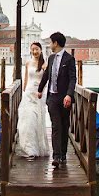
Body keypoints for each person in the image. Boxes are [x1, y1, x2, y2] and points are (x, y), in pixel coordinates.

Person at [37, 32, 76, 167]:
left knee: (64, 126)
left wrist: (69, 95)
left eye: (50, 42)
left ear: (56, 43)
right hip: (52, 97)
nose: (49, 44)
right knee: (56, 126)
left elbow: (72, 78)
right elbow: (47, 75)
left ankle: (63, 154)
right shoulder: (51, 58)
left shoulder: (69, 59)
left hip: (65, 98)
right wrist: (40, 89)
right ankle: (57, 156)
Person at [15, 42, 50, 158]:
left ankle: (38, 147)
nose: (35, 52)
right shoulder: (28, 63)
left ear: (41, 50)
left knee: (37, 121)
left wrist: (41, 91)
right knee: (27, 121)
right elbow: (26, 79)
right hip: (28, 94)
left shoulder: (45, 65)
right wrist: (24, 92)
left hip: (39, 95)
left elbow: (46, 82)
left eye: (37, 49)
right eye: (33, 50)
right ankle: (29, 148)